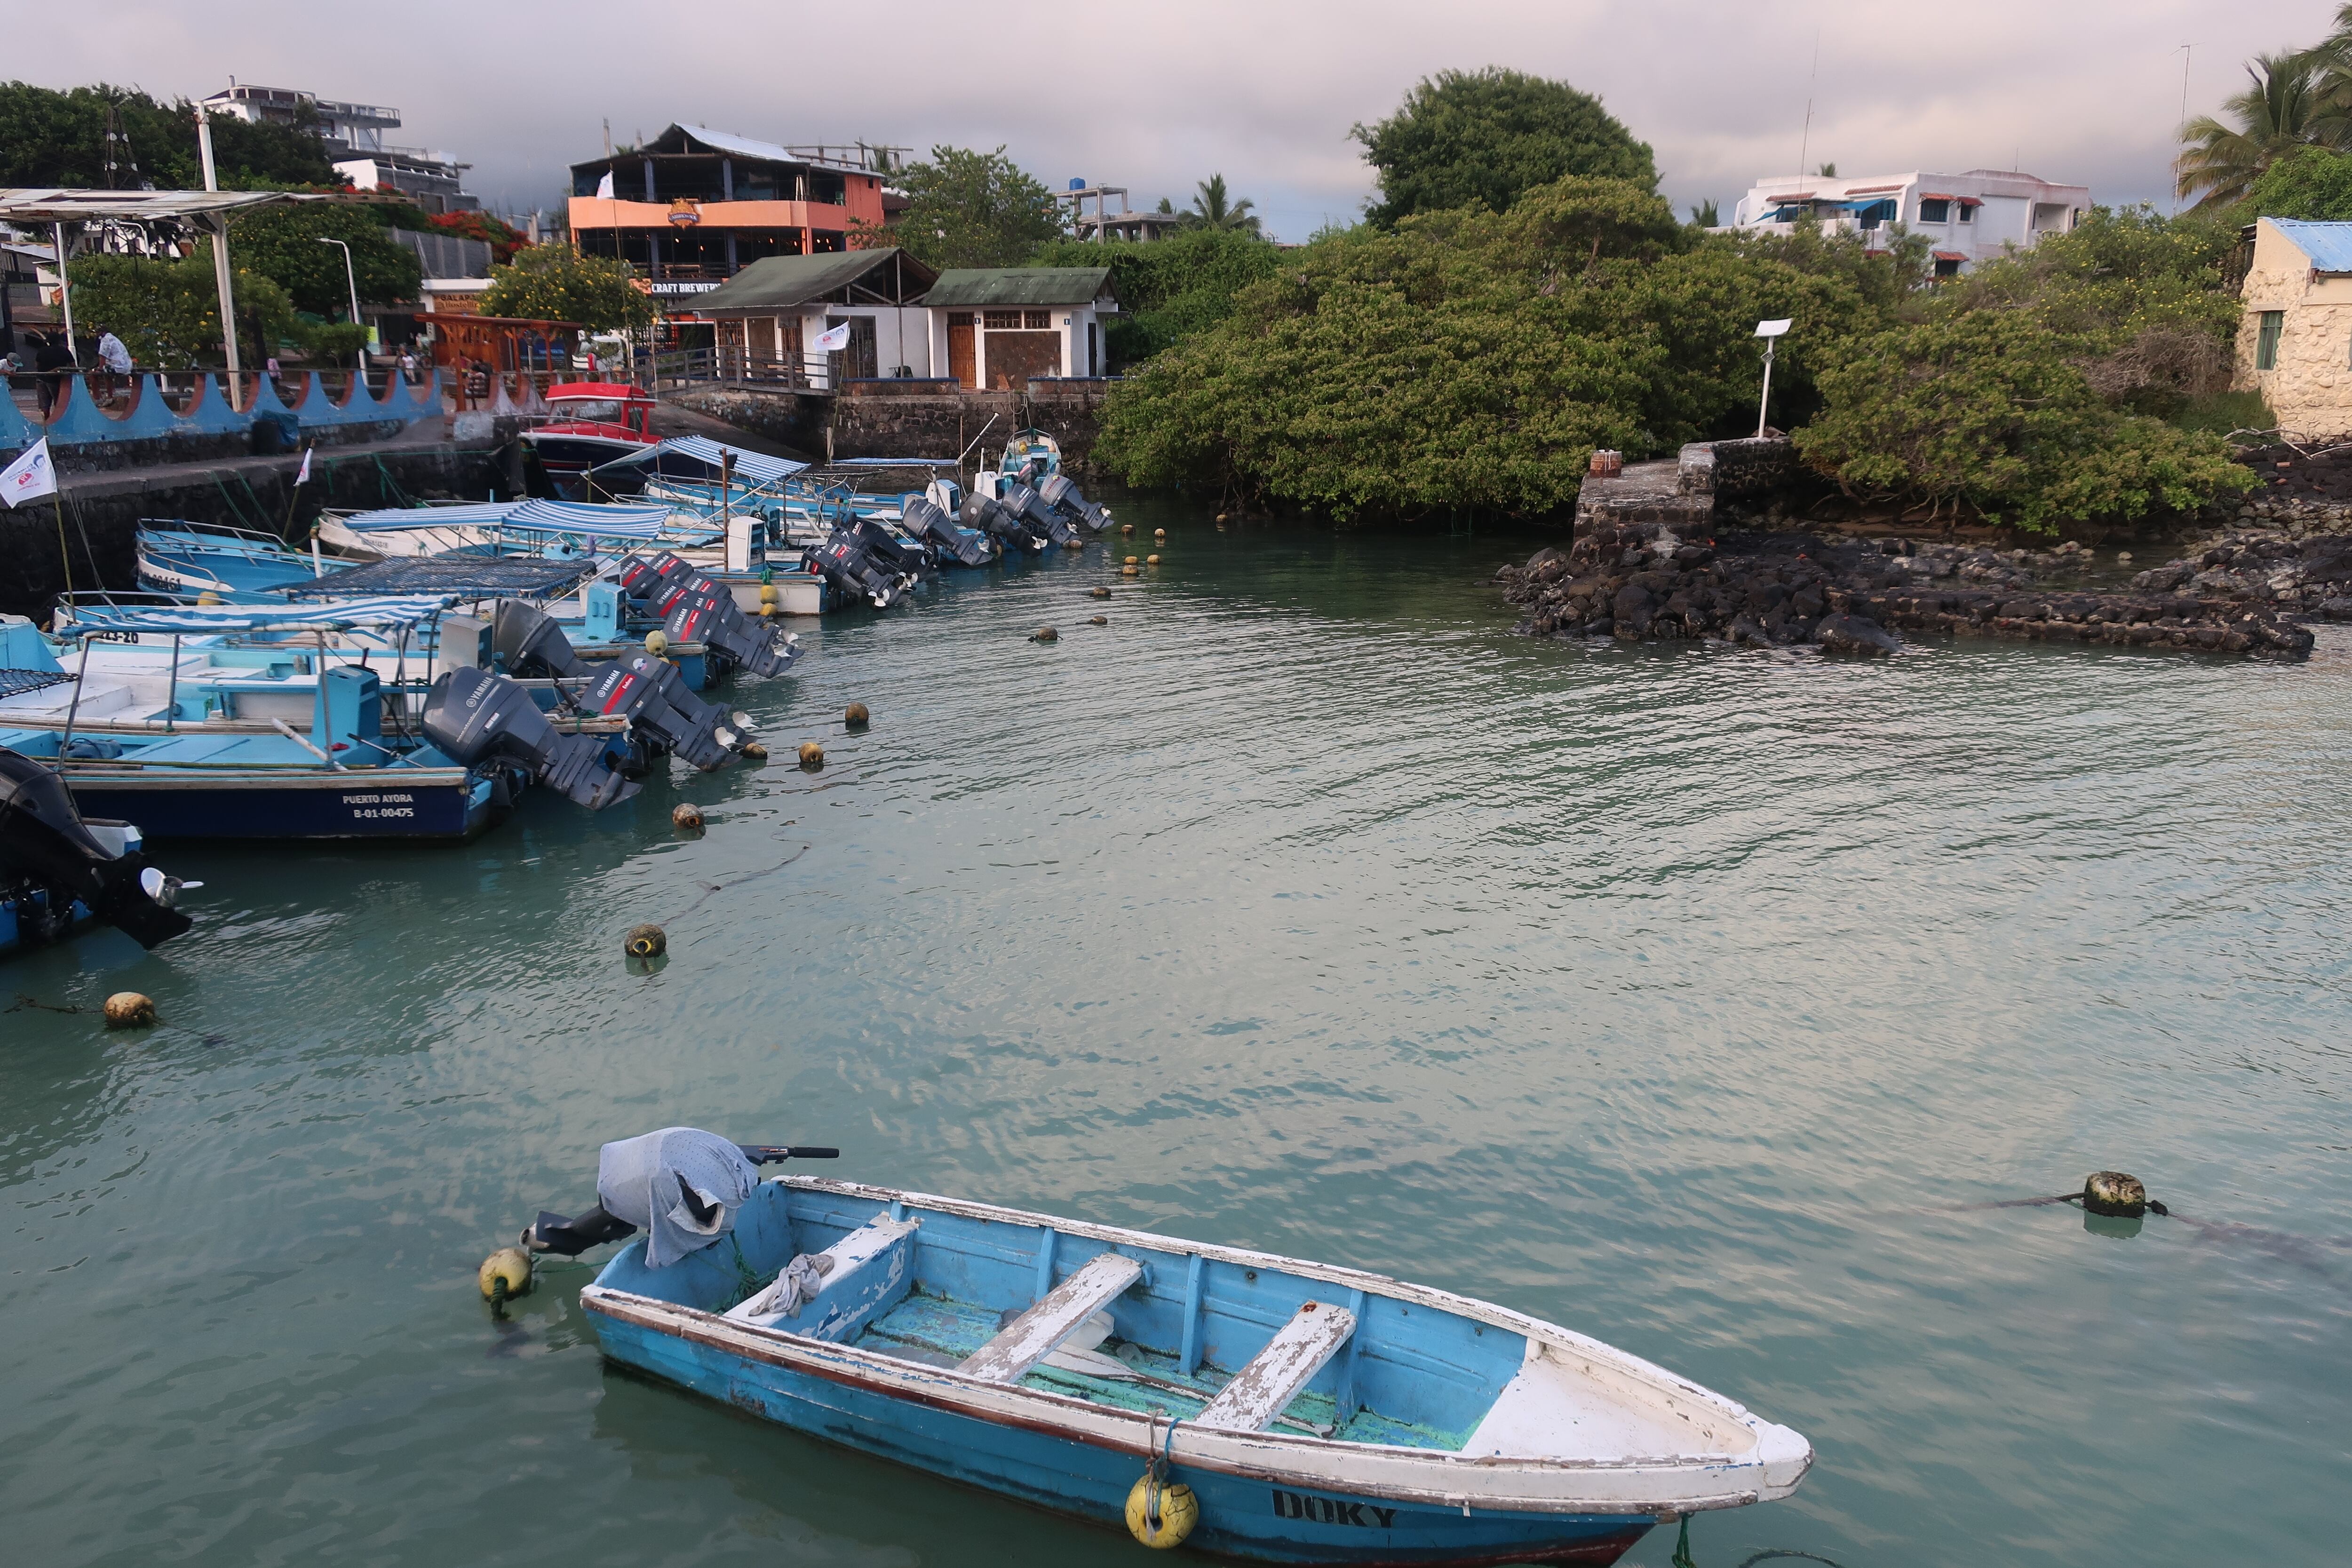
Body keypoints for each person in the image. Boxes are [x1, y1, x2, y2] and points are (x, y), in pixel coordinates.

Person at [523, 1127, 760, 1267]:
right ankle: (561, 1237)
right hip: (648, 1179)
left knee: (611, 1215)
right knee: (613, 1220)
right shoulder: (723, 1203)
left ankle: (559, 1235)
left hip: (629, 1163)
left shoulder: (720, 1157)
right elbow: (690, 1236)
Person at [95, 327, 131, 404]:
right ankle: (110, 395)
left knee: (92, 374)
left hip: (118, 367)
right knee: (107, 374)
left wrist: (100, 369)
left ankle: (98, 399)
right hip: (126, 366)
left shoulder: (106, 340)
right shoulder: (115, 339)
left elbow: (103, 355)